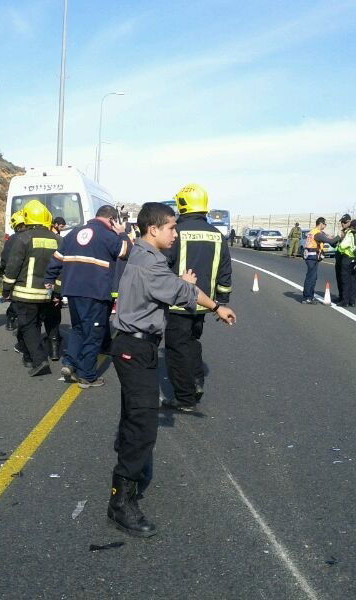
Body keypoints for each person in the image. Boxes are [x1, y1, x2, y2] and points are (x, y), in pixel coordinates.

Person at [107, 202, 237, 537]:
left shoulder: (143, 254)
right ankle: (121, 502)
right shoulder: (151, 264)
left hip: (135, 345)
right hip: (135, 348)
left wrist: (179, 282)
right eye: (171, 228)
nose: (175, 234)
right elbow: (183, 291)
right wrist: (217, 306)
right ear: (153, 229)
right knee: (143, 424)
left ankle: (129, 458)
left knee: (134, 414)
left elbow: (169, 286)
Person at [44, 204, 131, 388]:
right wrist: (122, 233)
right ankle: (87, 376)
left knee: (79, 328)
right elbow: (126, 252)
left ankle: (69, 363)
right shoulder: (107, 235)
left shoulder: (74, 233)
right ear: (111, 220)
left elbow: (57, 258)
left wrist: (49, 278)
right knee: (93, 333)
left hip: (73, 290)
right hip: (95, 292)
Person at [163, 183, 232, 411]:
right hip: (205, 303)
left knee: (176, 349)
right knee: (192, 342)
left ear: (182, 204)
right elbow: (225, 271)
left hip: (178, 303)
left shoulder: (176, 232)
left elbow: (164, 266)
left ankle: (185, 398)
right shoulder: (217, 235)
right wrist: (221, 303)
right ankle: (196, 380)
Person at [2, 200, 61, 376]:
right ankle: (28, 358)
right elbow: (62, 269)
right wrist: (58, 292)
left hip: (25, 293)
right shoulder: (58, 239)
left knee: (28, 327)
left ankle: (39, 360)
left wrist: (6, 289)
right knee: (38, 324)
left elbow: (13, 266)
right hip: (48, 293)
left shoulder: (23, 238)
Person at [301, 217, 341, 304]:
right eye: (325, 224)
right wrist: (339, 236)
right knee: (311, 277)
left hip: (311, 257)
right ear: (321, 224)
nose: (325, 226)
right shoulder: (317, 234)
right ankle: (307, 297)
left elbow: (327, 239)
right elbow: (330, 241)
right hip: (312, 257)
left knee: (313, 277)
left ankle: (310, 296)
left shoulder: (314, 232)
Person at [1, 211, 25, 333]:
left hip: (15, 275)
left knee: (16, 299)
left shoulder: (12, 239)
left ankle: (11, 318)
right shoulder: (32, 236)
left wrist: (3, 271)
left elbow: (5, 259)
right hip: (31, 274)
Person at [335, 219, 356, 307]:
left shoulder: (351, 234)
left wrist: (339, 248)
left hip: (347, 259)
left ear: (351, 226)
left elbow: (343, 246)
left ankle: (345, 301)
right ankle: (352, 301)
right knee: (353, 281)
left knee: (345, 280)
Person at [334, 214, 352, 303]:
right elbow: (336, 243)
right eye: (341, 222)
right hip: (339, 257)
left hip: (346, 258)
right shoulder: (342, 231)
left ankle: (346, 298)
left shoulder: (351, 232)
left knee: (345, 280)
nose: (342, 224)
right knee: (339, 278)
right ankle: (341, 296)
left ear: (349, 222)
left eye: (344, 222)